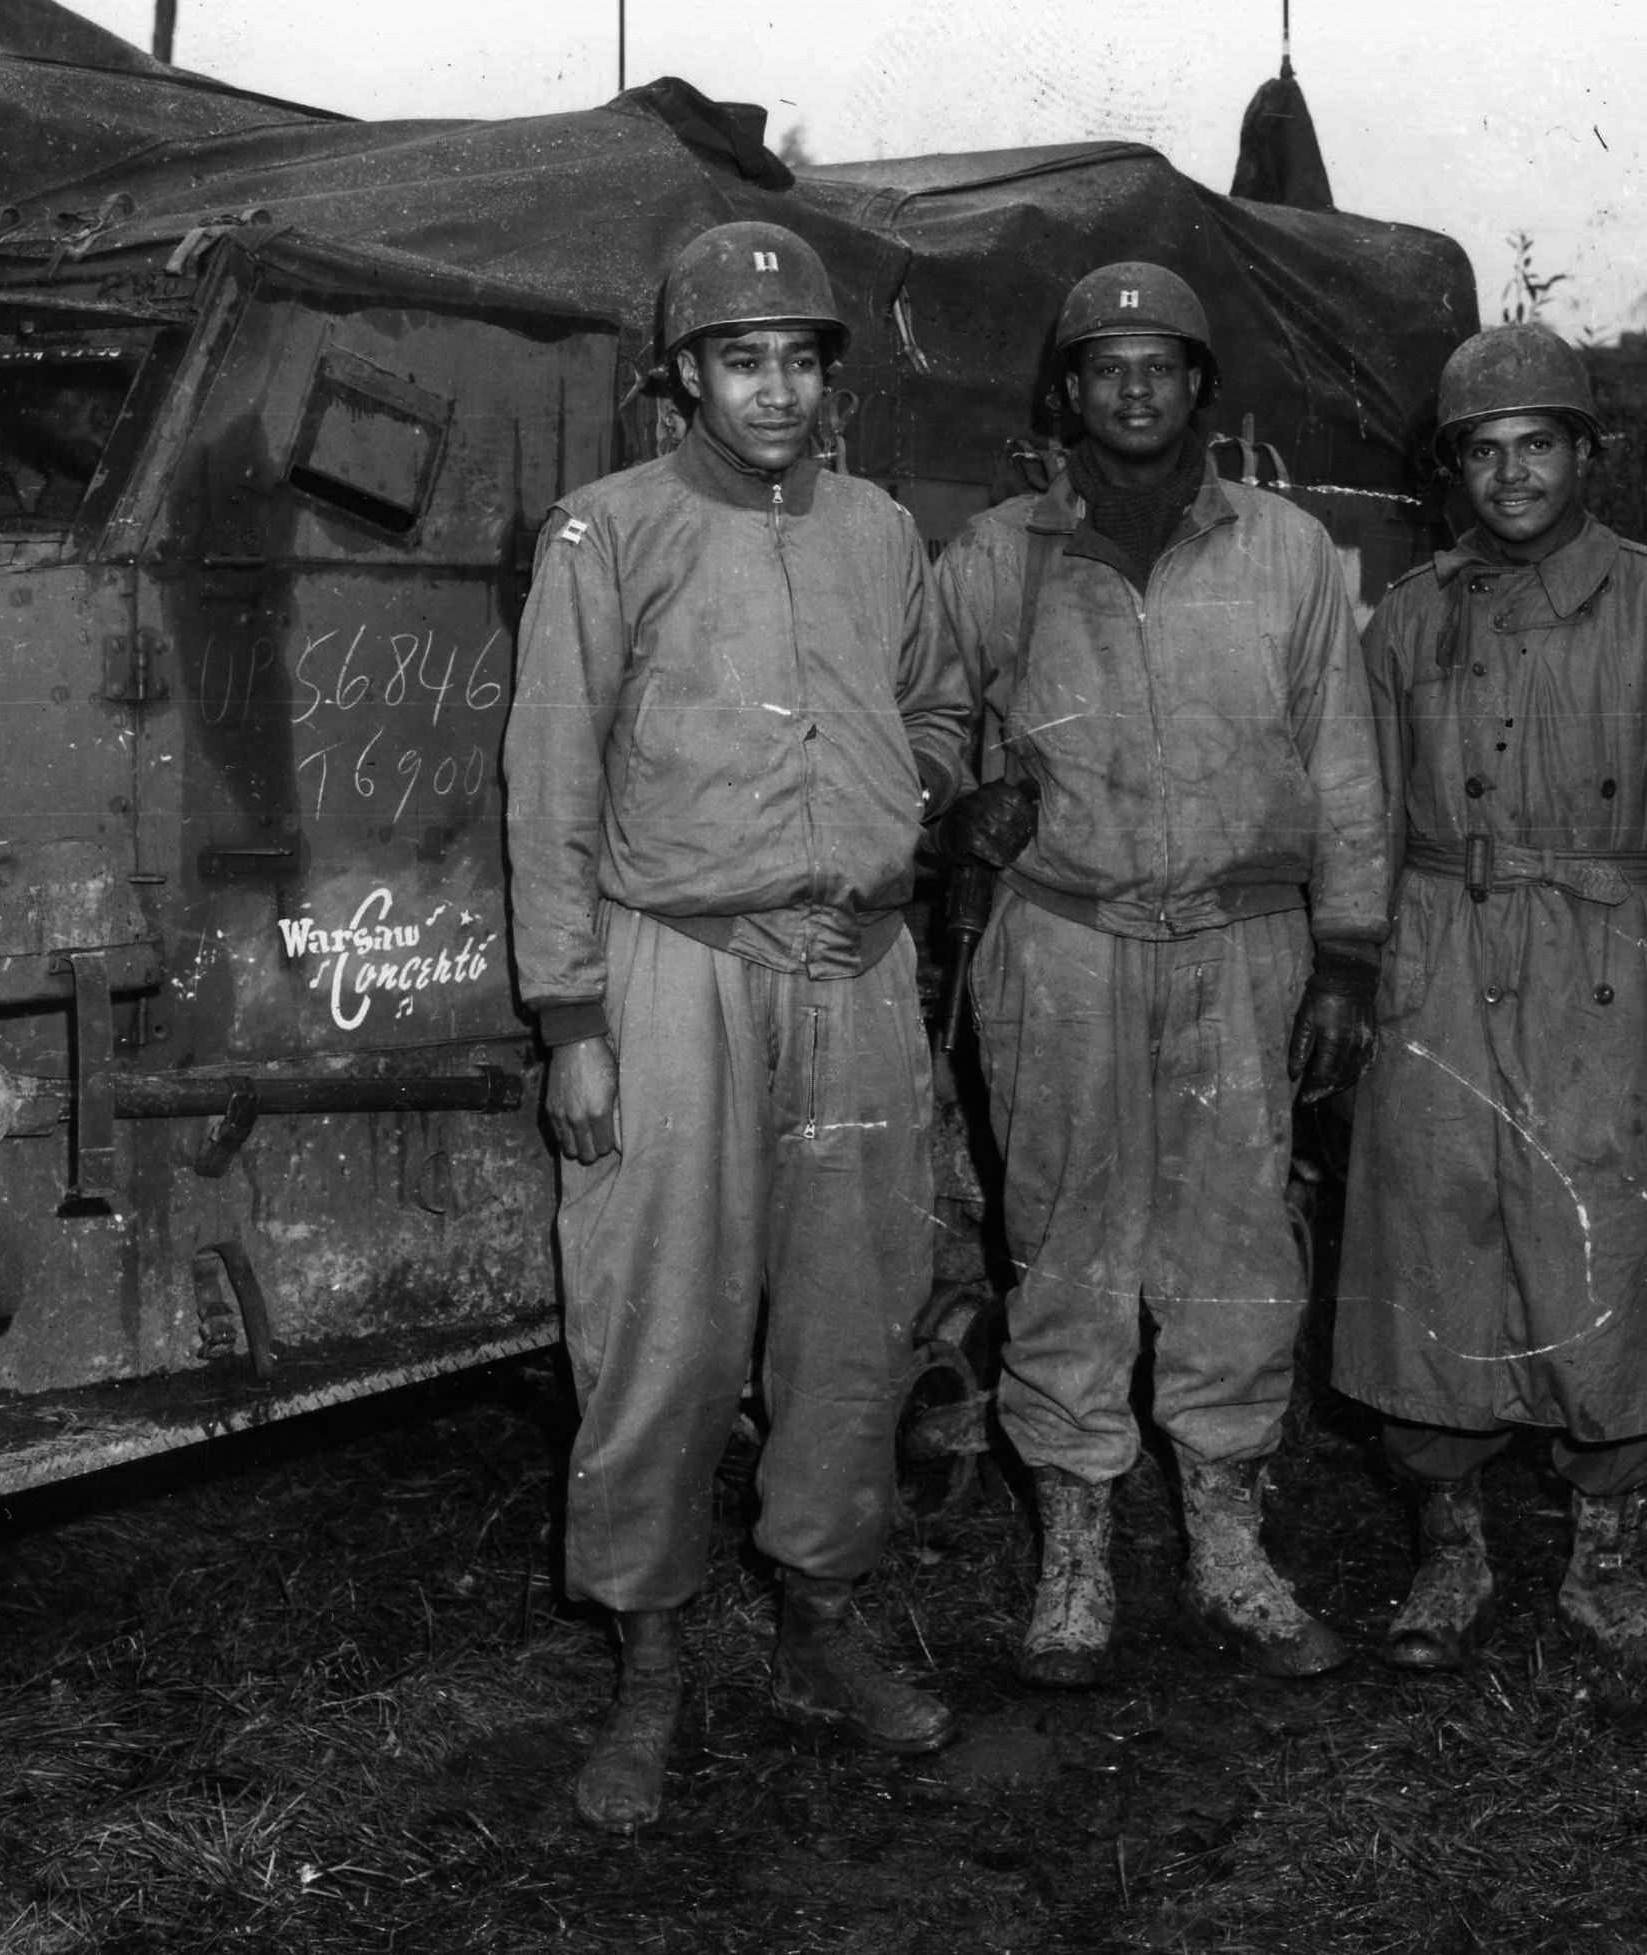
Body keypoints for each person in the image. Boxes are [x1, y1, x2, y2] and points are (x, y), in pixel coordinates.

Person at [503, 220, 968, 1833]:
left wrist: (895, 826)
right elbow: (551, 785)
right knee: (658, 1327)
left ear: (832, 380)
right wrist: (571, 1016)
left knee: (853, 1317)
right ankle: (647, 1661)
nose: (774, 389)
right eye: (739, 359)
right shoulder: (604, 533)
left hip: (852, 975)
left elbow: (934, 707)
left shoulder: (880, 531)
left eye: (800, 359)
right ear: (684, 378)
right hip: (669, 969)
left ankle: (820, 1623)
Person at [935, 262, 1389, 1687]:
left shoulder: (1289, 554)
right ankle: (1073, 1558)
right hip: (1062, 940)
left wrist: (1347, 954)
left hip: (1244, 946)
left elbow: (1343, 762)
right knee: (1064, 1239)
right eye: (1103, 364)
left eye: (1161, 363)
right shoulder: (996, 556)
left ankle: (1228, 1549)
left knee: (1238, 1247)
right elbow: (918, 715)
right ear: (1063, 394)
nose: (1133, 387)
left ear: (1201, 389)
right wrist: (957, 796)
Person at [1334, 322, 1647, 1677]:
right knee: (1436, 1248)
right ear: (1453, 468)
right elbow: (1356, 815)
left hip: (1615, 979)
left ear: (1585, 455)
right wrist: (1354, 976)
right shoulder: (1408, 617)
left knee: (1620, 1257)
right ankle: (1450, 1549)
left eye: (1539, 445)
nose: (1512, 475)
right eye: (1485, 450)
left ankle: (1604, 1563)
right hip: (1442, 974)